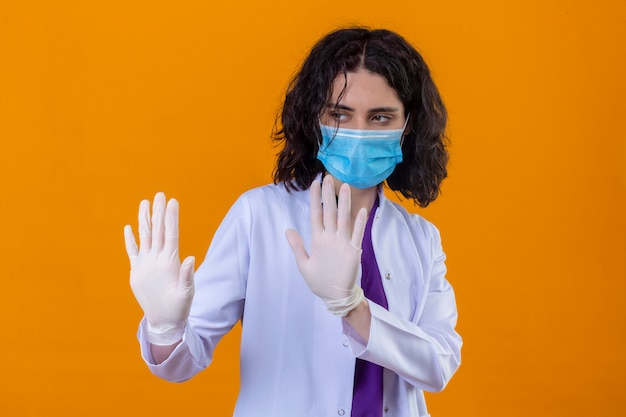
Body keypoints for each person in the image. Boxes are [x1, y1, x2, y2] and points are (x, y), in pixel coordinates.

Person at [124, 27, 462, 417]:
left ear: (408, 128)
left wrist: (353, 308)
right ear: (313, 117)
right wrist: (165, 327)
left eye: (381, 117)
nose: (359, 132)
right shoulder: (259, 216)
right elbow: (184, 361)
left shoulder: (421, 239)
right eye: (340, 114)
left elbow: (439, 365)